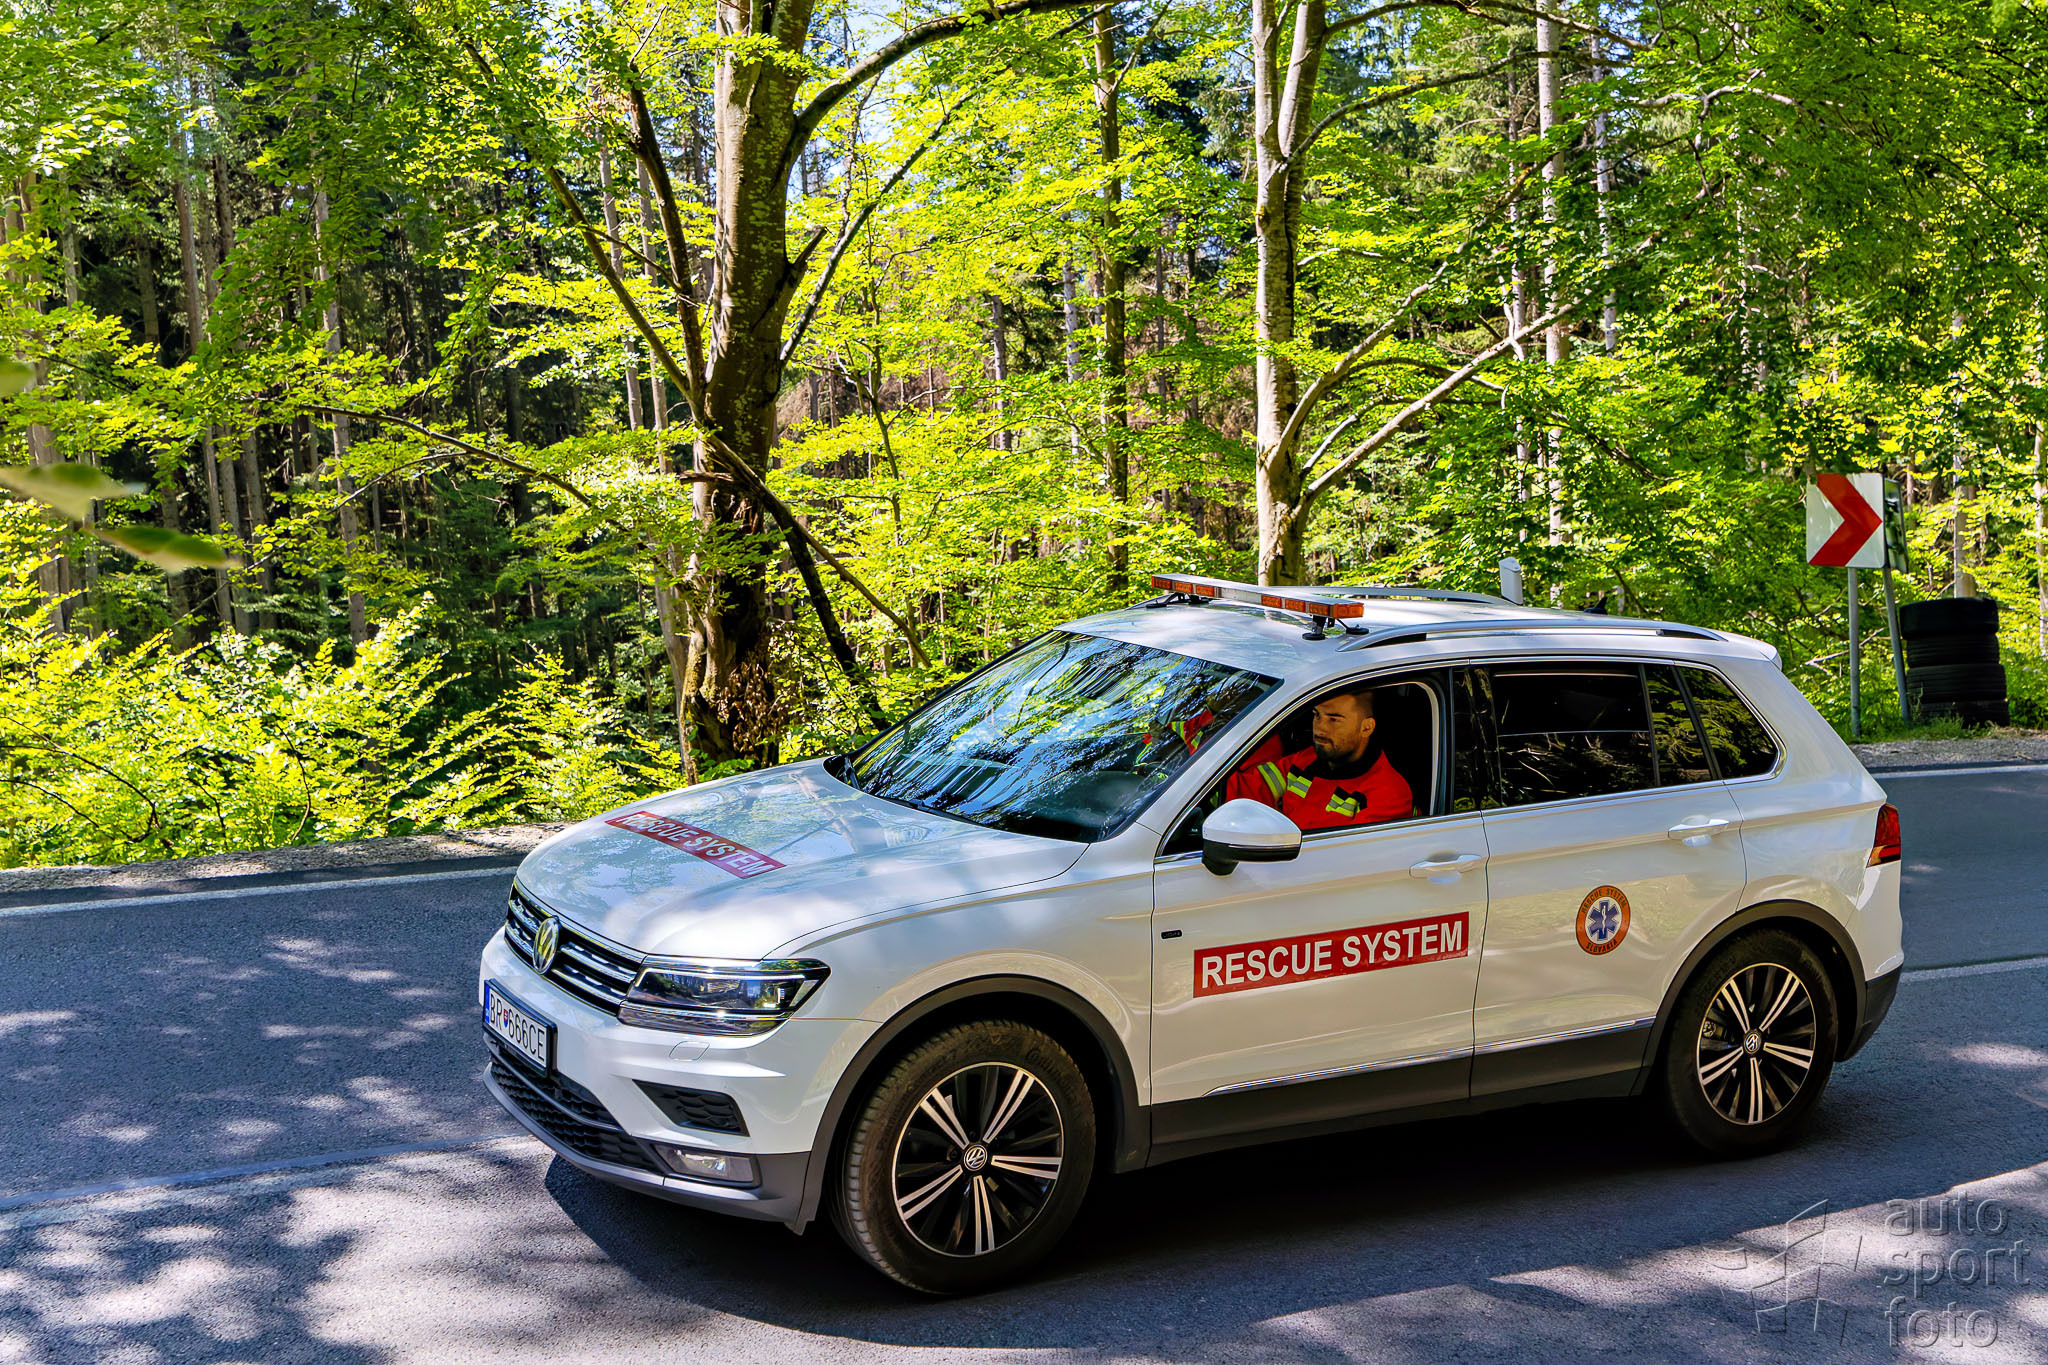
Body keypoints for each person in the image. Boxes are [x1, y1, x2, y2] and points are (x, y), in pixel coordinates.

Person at [1225, 685, 1413, 830]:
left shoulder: (1389, 794)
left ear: (1366, 727)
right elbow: (1245, 789)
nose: (1320, 727)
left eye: (1334, 719)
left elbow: (1346, 857)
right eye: (1317, 715)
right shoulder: (1305, 760)